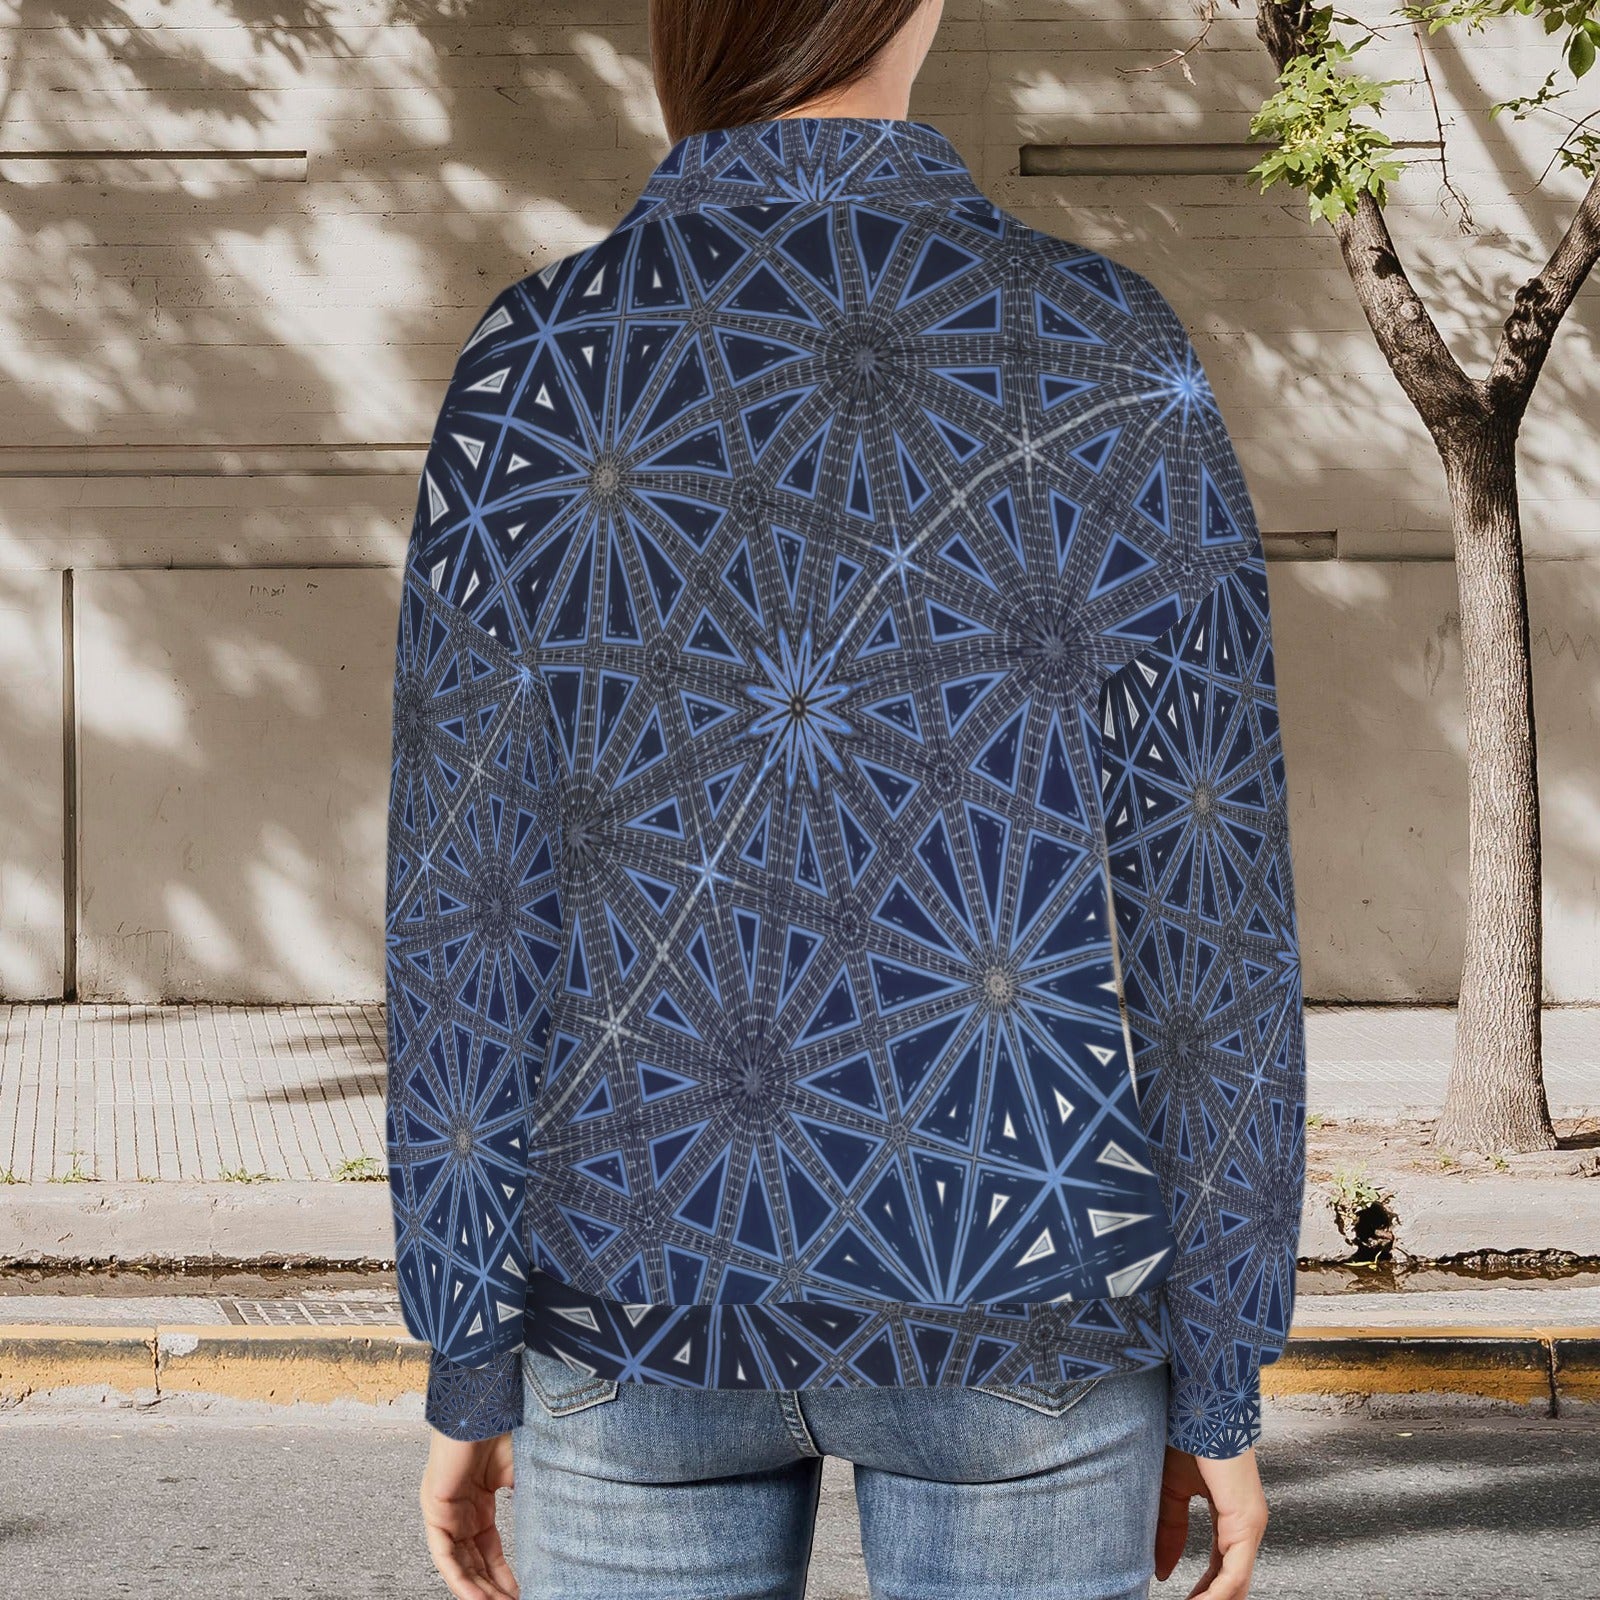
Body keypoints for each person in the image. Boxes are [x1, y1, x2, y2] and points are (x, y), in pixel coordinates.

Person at [382, 1, 1308, 1595]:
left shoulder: (540, 355)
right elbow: (1211, 902)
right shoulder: (1100, 339)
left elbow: (465, 901)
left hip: (631, 1290)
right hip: (1017, 1275)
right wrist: (1219, 1367)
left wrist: (468, 1356)